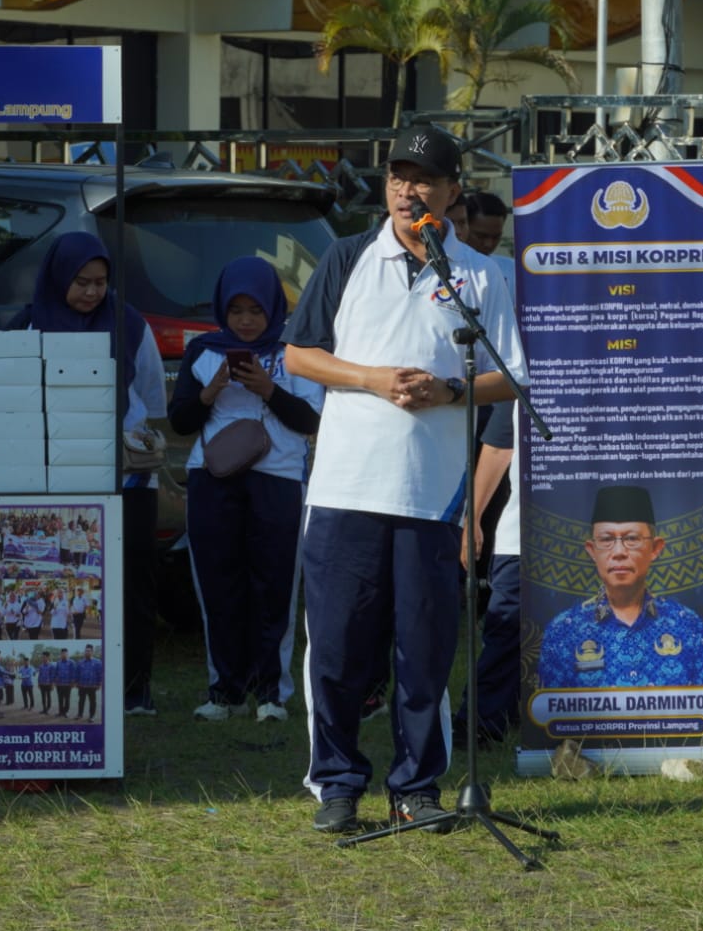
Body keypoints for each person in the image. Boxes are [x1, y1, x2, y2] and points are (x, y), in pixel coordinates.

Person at [282, 124, 526, 834]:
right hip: (344, 489)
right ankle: (336, 783)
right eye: (397, 175)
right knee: (335, 647)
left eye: (423, 178)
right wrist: (372, 378)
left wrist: (450, 391)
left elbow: (513, 377)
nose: (406, 189)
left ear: (452, 193)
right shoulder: (348, 256)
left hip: (430, 494)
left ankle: (417, 786)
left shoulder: (479, 275)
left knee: (423, 649)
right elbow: (298, 356)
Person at [11, 231, 167, 715]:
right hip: (55, 477)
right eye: (81, 282)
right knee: (64, 587)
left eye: (101, 282)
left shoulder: (129, 323)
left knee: (132, 585)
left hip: (126, 478)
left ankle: (134, 688)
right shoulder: (28, 326)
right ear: (59, 278)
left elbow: (152, 395)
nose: (92, 293)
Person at [168, 257, 323, 723]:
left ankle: (272, 693)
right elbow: (180, 423)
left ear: (274, 307)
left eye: (255, 310)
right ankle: (225, 691)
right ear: (222, 311)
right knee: (218, 585)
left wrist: (269, 389)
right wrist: (211, 392)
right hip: (212, 479)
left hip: (277, 479)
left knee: (274, 584)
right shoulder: (204, 352)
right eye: (236, 311)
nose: (246, 320)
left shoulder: (295, 352)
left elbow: (312, 421)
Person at [537, 486, 703, 690]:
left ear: (655, 548)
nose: (619, 552)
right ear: (592, 550)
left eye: (632, 539)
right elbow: (550, 716)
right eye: (606, 540)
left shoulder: (687, 625)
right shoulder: (563, 631)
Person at [453, 401, 523, 745]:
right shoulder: (525, 364)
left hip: (616, 531)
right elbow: (498, 446)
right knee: (505, 626)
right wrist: (474, 517)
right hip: (525, 531)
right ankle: (481, 722)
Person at [464, 192, 508, 258]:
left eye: (496, 237)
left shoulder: (510, 267)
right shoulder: (445, 266)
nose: (488, 244)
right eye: (481, 236)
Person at [75, 644, 102, 723]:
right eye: (86, 651)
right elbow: (77, 673)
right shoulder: (80, 662)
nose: (87, 652)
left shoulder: (98, 662)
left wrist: (99, 684)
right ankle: (80, 714)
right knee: (81, 701)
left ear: (92, 652)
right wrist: (76, 682)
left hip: (92, 686)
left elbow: (100, 674)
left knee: (92, 701)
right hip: (82, 685)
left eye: (89, 651)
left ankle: (92, 716)